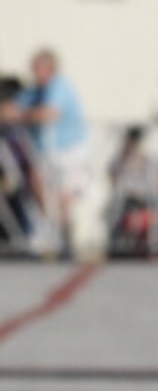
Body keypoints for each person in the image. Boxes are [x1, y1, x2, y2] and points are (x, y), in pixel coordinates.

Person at [0, 48, 91, 256]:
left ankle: (65, 240)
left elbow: (48, 113)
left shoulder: (59, 87)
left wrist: (21, 115)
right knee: (37, 184)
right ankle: (53, 232)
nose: (33, 73)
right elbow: (13, 107)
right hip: (47, 155)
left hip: (69, 153)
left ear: (48, 68)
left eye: (37, 68)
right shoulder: (35, 91)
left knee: (64, 195)